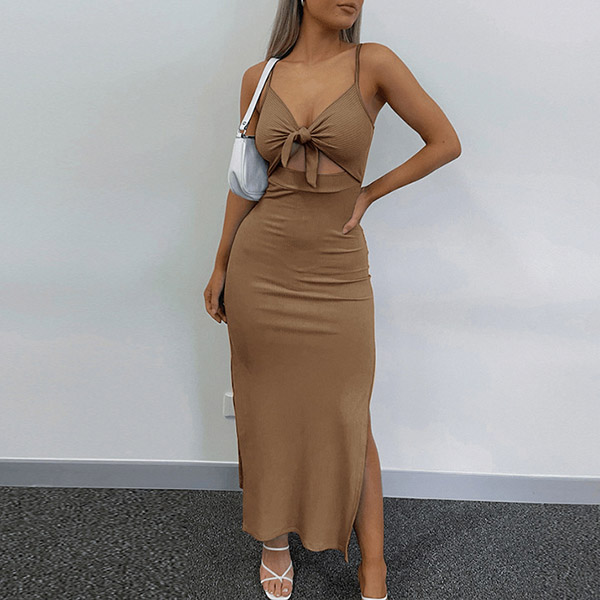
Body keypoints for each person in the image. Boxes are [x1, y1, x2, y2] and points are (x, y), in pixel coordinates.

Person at [204, 1, 461, 598]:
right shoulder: (259, 77)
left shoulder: (373, 63)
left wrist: (369, 193)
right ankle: (273, 540)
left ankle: (374, 566)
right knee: (265, 410)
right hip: (262, 265)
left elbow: (444, 141)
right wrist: (220, 262)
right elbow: (245, 179)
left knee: (350, 417)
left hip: (336, 271)